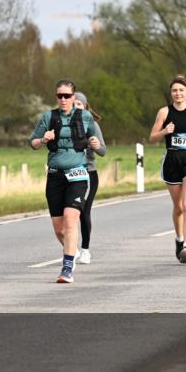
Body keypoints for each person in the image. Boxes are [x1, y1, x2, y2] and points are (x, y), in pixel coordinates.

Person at [28, 80, 100, 283]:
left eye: (67, 96)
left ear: (74, 97)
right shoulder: (48, 117)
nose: (63, 99)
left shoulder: (85, 117)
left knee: (70, 220)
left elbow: (95, 142)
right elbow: (32, 143)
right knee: (59, 228)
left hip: (78, 174)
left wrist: (94, 143)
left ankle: (67, 267)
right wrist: (43, 140)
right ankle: (72, 249)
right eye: (60, 96)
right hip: (55, 175)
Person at [148, 75, 186, 264]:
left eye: (181, 90)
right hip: (172, 160)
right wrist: (165, 131)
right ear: (171, 93)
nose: (178, 93)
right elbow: (152, 137)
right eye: (174, 90)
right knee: (179, 207)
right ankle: (179, 239)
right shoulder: (164, 112)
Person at [73, 92, 107, 265]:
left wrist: (95, 145)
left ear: (85, 107)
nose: (75, 107)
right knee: (68, 213)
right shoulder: (61, 123)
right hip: (68, 173)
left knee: (83, 211)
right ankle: (73, 248)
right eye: (73, 103)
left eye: (79, 104)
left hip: (88, 173)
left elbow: (103, 151)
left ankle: (85, 250)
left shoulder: (92, 124)